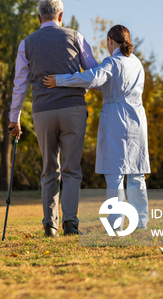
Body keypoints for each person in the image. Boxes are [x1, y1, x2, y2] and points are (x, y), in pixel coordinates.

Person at [43, 25, 150, 230]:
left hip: (116, 119)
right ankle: (141, 223)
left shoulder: (112, 62)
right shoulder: (137, 63)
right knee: (137, 172)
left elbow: (92, 77)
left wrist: (60, 80)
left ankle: (116, 224)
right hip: (137, 118)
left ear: (110, 41)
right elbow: (102, 83)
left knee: (115, 173)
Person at [8, 0, 98, 237]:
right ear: (61, 16)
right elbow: (93, 73)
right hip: (73, 110)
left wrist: (14, 118)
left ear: (39, 18)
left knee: (49, 168)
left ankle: (50, 224)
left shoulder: (26, 43)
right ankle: (70, 223)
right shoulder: (76, 37)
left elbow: (20, 84)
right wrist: (85, 86)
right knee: (71, 169)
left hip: (43, 112)